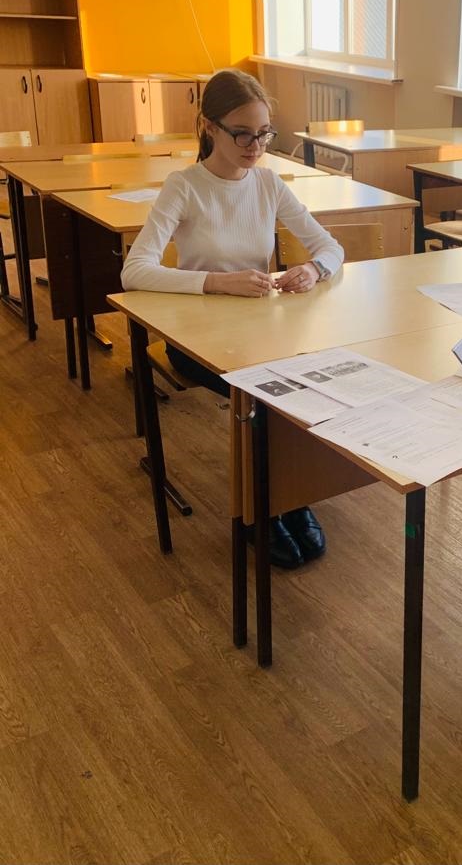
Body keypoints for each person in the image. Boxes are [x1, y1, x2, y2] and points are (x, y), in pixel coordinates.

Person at [121, 68, 344, 570]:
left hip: (262, 332)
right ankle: (258, 511)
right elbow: (134, 270)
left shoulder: (268, 182)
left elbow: (330, 247)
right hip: (197, 339)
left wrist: (313, 268)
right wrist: (216, 282)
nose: (255, 146)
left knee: (303, 382)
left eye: (264, 133)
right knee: (266, 397)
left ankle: (290, 496)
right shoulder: (184, 187)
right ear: (209, 127)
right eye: (242, 134)